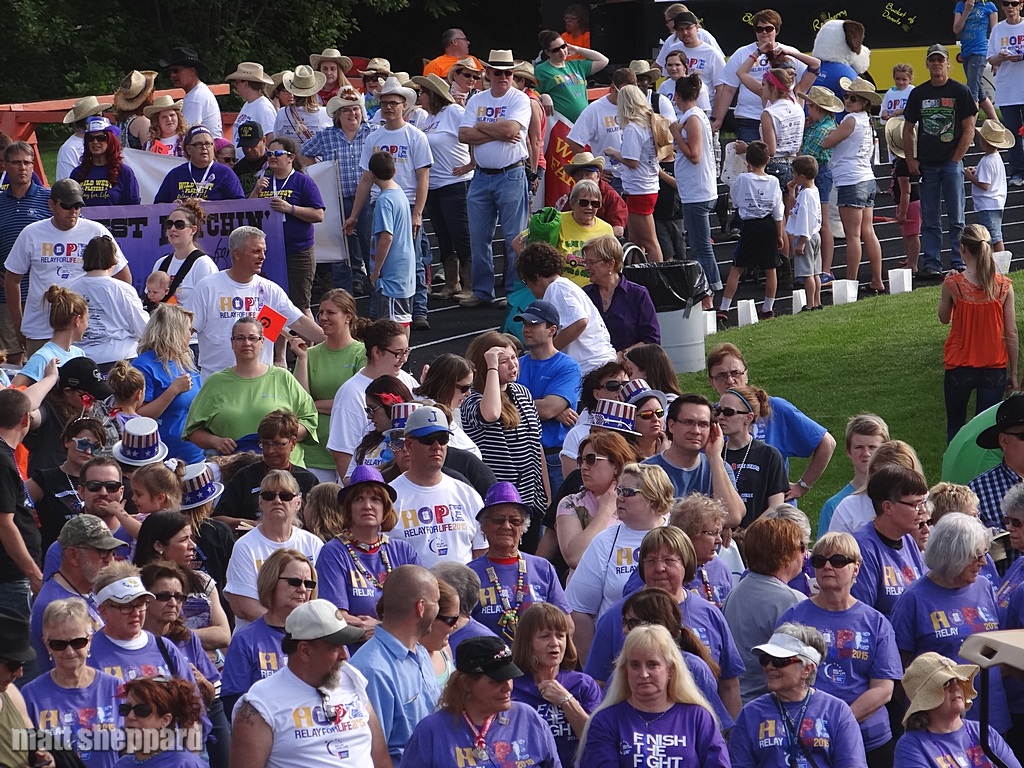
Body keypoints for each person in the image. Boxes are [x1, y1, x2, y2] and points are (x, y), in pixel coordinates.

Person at [587, 527, 745, 716]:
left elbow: (729, 685)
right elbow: (597, 685)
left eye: (669, 560)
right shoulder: (617, 617)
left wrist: (730, 740)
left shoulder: (710, 613)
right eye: (651, 561)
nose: (659, 568)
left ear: (686, 563)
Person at [779, 532, 902, 766]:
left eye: (837, 561)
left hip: (870, 739)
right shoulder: (794, 617)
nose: (827, 567)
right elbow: (779, 677)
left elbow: (884, 689)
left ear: (856, 568)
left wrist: (839, 721)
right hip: (808, 737)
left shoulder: (875, 623)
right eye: (818, 561)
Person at [230, 599, 390, 767]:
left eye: (345, 645)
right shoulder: (261, 705)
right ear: (305, 651)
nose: (345, 655)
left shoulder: (352, 679)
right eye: (335, 647)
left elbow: (381, 760)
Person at [891, 513, 1010, 733]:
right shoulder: (914, 599)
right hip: (939, 725)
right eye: (976, 556)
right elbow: (898, 671)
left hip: (992, 719)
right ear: (954, 556)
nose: (983, 562)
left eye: (984, 554)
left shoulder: (984, 587)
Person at [344, 78, 433, 330]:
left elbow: (422, 177)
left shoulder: (415, 136)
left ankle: (418, 309)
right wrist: (354, 214)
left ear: (404, 105)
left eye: (393, 103)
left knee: (412, 259)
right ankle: (380, 307)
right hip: (379, 201)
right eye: (384, 103)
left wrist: (417, 212)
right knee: (379, 257)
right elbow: (364, 178)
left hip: (406, 203)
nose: (388, 107)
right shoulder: (374, 137)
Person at [4, 179, 131, 356]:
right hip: (40, 328)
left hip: (84, 331)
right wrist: (18, 324)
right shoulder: (31, 233)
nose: (73, 211)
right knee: (41, 381)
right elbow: (12, 279)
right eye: (67, 205)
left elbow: (123, 277)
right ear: (51, 205)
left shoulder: (96, 231)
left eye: (78, 206)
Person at [578, 624, 729, 767]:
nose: (643, 674)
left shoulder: (698, 718)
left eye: (652, 665)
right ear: (625, 670)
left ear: (670, 669)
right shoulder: (606, 721)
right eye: (635, 665)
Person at [185, 226, 324, 378]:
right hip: (218, 384)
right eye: (256, 251)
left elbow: (301, 324)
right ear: (237, 254)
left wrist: (341, 344)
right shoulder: (207, 287)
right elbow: (184, 331)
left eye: (264, 251)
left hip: (262, 385)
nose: (262, 257)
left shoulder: (270, 290)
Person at [403, 635, 560, 766]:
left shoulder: (528, 719)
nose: (508, 687)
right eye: (497, 680)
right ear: (467, 683)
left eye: (510, 678)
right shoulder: (432, 731)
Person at [566, 462, 670, 659]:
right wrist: (595, 669)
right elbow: (579, 611)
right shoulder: (605, 541)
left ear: (654, 498)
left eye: (628, 492)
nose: (619, 497)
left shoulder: (677, 534)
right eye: (619, 490)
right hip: (618, 659)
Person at [706, 344, 836, 498]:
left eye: (736, 373)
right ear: (711, 381)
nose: (730, 380)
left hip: (774, 507)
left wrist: (802, 486)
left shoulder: (775, 408)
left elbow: (827, 442)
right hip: (727, 509)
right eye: (721, 375)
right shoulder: (709, 417)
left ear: (746, 374)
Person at [730, 623, 868, 767]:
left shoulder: (837, 711)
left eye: (779, 661)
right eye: (765, 659)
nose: (770, 667)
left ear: (807, 669)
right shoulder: (751, 714)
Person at [184, 315, 317, 460]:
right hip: (233, 468)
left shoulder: (282, 377)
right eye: (240, 338)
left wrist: (282, 438)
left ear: (262, 342)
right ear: (232, 342)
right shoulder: (215, 382)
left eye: (253, 338)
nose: (246, 343)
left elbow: (309, 420)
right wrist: (215, 442)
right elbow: (193, 431)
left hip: (282, 470)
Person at [457, 50, 532, 308]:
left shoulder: (519, 99)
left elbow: (511, 130)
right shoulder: (476, 98)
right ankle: (482, 291)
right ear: (487, 74)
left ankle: (513, 292)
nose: (503, 77)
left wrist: (481, 127)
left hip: (510, 173)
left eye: (508, 72)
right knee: (478, 238)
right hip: (481, 175)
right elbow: (463, 135)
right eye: (498, 72)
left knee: (515, 238)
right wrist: (497, 131)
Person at [138, 559, 227, 766]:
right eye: (164, 596)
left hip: (192, 739)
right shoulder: (136, 642)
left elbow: (212, 691)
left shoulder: (187, 638)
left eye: (179, 597)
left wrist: (201, 683)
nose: (173, 602)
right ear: (145, 599)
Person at [349, 565, 441, 765]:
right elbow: (372, 752)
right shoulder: (372, 670)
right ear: (421, 607)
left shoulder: (421, 652)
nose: (439, 610)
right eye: (437, 601)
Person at [314, 465, 420, 635]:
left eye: (376, 499)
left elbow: (421, 609)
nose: (367, 506)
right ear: (348, 508)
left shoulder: (403, 551)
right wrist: (394, 628)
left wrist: (379, 628)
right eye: (359, 499)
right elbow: (335, 616)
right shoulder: (333, 552)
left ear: (385, 508)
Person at [903, 44, 977, 279]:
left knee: (957, 217)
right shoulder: (919, 93)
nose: (936, 64)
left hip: (950, 163)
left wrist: (956, 158)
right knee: (930, 219)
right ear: (927, 64)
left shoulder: (960, 91)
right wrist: (910, 159)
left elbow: (969, 128)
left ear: (948, 63)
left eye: (940, 60)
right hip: (927, 163)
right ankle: (932, 263)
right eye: (932, 60)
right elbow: (907, 128)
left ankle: (960, 262)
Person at [23, 598, 123, 768]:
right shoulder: (30, 695)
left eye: (77, 642)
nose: (69, 651)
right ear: (47, 645)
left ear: (89, 640)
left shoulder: (116, 688)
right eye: (58, 644)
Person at [940, 223, 1017, 442]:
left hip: (959, 366)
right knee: (985, 429)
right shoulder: (1003, 286)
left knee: (955, 425)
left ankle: (953, 472)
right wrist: (1013, 373)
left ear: (962, 248)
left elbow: (944, 318)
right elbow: (1011, 333)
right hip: (994, 367)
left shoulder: (953, 284)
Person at [219, 548, 317, 714]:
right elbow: (234, 704)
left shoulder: (324, 637)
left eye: (309, 584)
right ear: (271, 582)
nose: (302, 589)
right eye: (294, 582)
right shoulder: (246, 640)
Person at [468, 482, 569, 642]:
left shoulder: (543, 568)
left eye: (515, 521)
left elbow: (565, 624)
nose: (506, 526)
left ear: (523, 527)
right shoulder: (469, 574)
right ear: (483, 527)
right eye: (498, 520)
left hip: (536, 662)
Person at [722, 517, 807, 703]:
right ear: (786, 555)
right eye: (801, 546)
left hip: (734, 699)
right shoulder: (792, 600)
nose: (805, 553)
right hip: (769, 706)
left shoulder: (736, 591)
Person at [223, 471, 324, 627]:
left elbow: (322, 597)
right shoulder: (245, 546)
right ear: (261, 503)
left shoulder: (314, 544)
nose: (277, 501)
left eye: (285, 496)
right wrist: (291, 629)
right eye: (269, 496)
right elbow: (245, 607)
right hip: (259, 638)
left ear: (298, 503)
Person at [389, 405, 486, 566]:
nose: (436, 446)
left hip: (462, 589)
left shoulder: (467, 494)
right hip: (411, 589)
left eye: (442, 439)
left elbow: (481, 554)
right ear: (409, 444)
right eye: (428, 439)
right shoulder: (390, 497)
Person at [290, 289, 367, 482]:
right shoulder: (309, 353)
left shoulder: (362, 353)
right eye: (321, 313)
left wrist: (314, 405)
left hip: (352, 451)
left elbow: (360, 403)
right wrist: (302, 358)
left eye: (330, 313)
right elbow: (300, 403)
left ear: (348, 317)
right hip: (315, 452)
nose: (323, 318)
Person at [510, 603, 600, 766]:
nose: (555, 643)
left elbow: (596, 741)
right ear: (527, 641)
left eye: (560, 635)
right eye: (545, 636)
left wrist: (567, 700)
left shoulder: (583, 684)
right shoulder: (511, 686)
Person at [895, 651, 1021, 768]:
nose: (955, 687)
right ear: (925, 699)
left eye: (957, 680)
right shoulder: (912, 745)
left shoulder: (984, 732)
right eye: (946, 683)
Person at [326, 319, 418, 476]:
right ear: (377, 352)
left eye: (406, 351)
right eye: (398, 353)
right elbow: (342, 455)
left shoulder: (407, 380)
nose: (404, 359)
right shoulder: (350, 393)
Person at [414, 73, 474, 302]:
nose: (420, 97)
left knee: (462, 234)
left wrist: (471, 163)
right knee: (443, 235)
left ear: (433, 95)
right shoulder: (429, 119)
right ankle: (452, 282)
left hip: (456, 183)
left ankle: (470, 283)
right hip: (435, 185)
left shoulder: (454, 112)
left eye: (423, 93)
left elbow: (474, 134)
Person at [823, 76, 886, 293]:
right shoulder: (866, 120)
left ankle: (851, 282)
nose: (848, 101)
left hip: (851, 180)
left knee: (853, 235)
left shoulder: (851, 120)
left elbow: (827, 142)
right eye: (847, 96)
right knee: (868, 232)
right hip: (866, 178)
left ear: (864, 103)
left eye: (854, 98)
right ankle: (876, 279)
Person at [251, 136, 325, 319]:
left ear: (291, 157)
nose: (271, 157)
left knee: (300, 304)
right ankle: (279, 349)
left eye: (277, 153)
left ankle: (310, 347)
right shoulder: (264, 180)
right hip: (271, 251)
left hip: (298, 251)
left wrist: (290, 209)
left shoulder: (302, 181)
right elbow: (248, 212)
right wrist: (255, 192)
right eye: (269, 154)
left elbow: (318, 214)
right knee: (274, 305)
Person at [516, 242, 616, 374]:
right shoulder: (563, 287)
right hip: (597, 365)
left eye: (526, 280)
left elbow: (579, 322)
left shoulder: (557, 288)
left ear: (535, 275)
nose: (528, 286)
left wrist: (549, 352)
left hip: (591, 367)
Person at [514, 301, 581, 494]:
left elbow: (548, 408)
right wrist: (549, 409)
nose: (526, 329)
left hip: (554, 458)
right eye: (525, 324)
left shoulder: (568, 367)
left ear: (552, 330)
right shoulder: (515, 364)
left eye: (534, 324)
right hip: (523, 456)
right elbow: (500, 407)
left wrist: (551, 410)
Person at [645, 394, 744, 523]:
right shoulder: (646, 471)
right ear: (671, 426)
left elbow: (732, 517)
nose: (696, 431)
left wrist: (714, 458)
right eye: (688, 422)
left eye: (703, 424)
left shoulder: (720, 467)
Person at [851, 464, 929, 619]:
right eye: (915, 504)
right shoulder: (862, 548)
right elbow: (864, 614)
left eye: (923, 503)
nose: (923, 511)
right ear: (887, 507)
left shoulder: (908, 541)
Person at [216, 410, 319, 527]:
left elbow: (320, 522)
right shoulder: (245, 477)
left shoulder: (308, 480)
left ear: (293, 443)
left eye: (277, 444)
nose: (270, 451)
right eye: (265, 444)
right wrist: (252, 525)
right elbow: (218, 519)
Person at [719, 141, 784, 324]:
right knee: (770, 268)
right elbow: (778, 211)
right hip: (768, 226)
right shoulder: (774, 181)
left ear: (748, 161)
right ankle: (768, 307)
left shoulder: (742, 179)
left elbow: (736, 200)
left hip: (750, 225)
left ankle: (724, 307)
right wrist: (779, 235)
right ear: (768, 159)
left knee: (737, 267)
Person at [0, 141, 51, 364]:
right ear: (5, 166)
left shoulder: (49, 201)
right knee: (12, 355)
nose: (22, 167)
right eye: (17, 163)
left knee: (45, 355)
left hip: (42, 294)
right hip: (6, 294)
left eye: (27, 163)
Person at [555, 430, 635, 570]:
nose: (584, 467)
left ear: (616, 465)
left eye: (592, 459)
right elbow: (574, 558)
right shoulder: (571, 503)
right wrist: (605, 511)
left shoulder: (638, 500)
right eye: (581, 460)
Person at [68, 235, 148, 369]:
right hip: (120, 359)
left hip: (81, 359)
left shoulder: (71, 288)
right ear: (113, 259)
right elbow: (143, 328)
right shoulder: (123, 289)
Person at [716, 385, 789, 526]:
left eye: (728, 412)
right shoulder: (715, 454)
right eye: (718, 411)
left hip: (757, 537)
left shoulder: (769, 455)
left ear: (748, 418)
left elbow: (775, 507)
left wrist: (749, 533)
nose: (720, 417)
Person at [0, 388, 44, 615]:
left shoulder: (6, 454)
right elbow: (4, 524)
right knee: (19, 648)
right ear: (25, 419)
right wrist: (33, 573)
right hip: (11, 577)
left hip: (15, 575)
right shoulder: (1, 459)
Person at [581, 235, 659, 354]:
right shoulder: (584, 295)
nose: (586, 267)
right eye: (586, 262)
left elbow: (652, 339)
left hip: (630, 365)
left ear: (610, 264)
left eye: (591, 262)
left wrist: (622, 355)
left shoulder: (638, 294)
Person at [364, 150, 416, 327]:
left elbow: (386, 237)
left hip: (391, 273)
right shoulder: (400, 193)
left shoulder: (384, 200)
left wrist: (376, 271)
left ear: (372, 174)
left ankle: (400, 354)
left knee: (391, 326)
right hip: (403, 269)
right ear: (394, 170)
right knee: (403, 320)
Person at [818, 414, 890, 535]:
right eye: (859, 447)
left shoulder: (901, 498)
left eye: (872, 447)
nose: (866, 453)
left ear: (886, 450)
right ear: (849, 451)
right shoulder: (833, 506)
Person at [111, 676, 205, 768]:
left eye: (141, 710)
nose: (130, 716)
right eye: (125, 709)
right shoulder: (122, 764)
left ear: (165, 720)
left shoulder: (185, 763)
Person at [10, 285, 87, 387]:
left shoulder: (79, 353)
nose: (87, 325)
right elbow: (12, 392)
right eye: (87, 319)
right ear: (77, 320)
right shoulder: (42, 357)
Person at [154, 125, 245, 204]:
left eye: (208, 144)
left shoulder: (225, 173)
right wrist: (171, 206)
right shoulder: (175, 174)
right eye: (198, 144)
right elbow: (158, 206)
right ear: (188, 149)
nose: (204, 148)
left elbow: (239, 204)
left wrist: (210, 205)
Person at [989, 0, 1024, 186]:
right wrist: (1000, 58)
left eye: (1014, 3)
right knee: (1012, 133)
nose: (1010, 7)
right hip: (1007, 89)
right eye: (1006, 3)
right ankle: (1018, 171)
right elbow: (991, 57)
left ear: (1021, 5)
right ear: (1002, 7)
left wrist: (1022, 56)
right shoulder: (998, 30)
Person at [71, 116, 140, 206]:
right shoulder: (77, 173)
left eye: (101, 138)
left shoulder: (124, 172)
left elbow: (133, 206)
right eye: (90, 138)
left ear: (110, 141)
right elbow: (70, 205)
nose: (95, 142)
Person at [787, 155, 824, 311]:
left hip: (806, 237)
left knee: (808, 274)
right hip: (814, 235)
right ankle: (816, 301)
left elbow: (805, 218)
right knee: (815, 272)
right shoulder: (811, 191)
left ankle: (810, 304)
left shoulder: (807, 194)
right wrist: (792, 192)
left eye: (794, 174)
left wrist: (801, 241)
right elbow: (795, 208)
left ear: (802, 176)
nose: (793, 177)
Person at [159, 46, 221, 136]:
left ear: (192, 71)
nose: (172, 75)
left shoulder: (196, 98)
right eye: (170, 71)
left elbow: (185, 133)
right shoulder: (197, 92)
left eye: (176, 71)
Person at [956, 0, 1000, 119]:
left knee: (972, 90)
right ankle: (997, 124)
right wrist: (967, 10)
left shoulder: (989, 6)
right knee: (979, 91)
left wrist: (995, 58)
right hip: (966, 51)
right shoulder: (961, 5)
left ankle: (970, 128)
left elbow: (995, 33)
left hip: (980, 51)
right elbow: (956, 29)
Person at [273, 66, 331, 147]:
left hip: (290, 159)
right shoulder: (326, 113)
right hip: (317, 159)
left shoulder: (282, 113)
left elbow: (276, 140)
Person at [57, 96, 109, 182]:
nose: (100, 120)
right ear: (85, 122)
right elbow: (65, 184)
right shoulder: (69, 149)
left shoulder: (106, 140)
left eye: (101, 116)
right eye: (96, 117)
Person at [225, 62, 277, 147]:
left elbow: (270, 138)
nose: (236, 85)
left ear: (245, 84)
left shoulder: (264, 107)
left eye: (237, 82)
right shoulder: (249, 104)